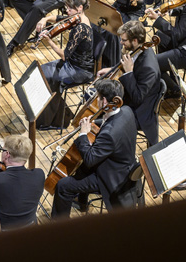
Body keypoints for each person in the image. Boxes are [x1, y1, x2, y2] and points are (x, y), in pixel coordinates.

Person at [51, 79, 137, 218]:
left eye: (98, 97)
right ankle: (81, 201)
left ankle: (59, 226)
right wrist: (93, 122)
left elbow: (90, 159)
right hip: (123, 165)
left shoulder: (109, 134)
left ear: (104, 101)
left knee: (63, 186)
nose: (96, 100)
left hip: (110, 176)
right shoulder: (127, 111)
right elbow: (109, 122)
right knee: (80, 169)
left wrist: (83, 134)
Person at [97, 20, 163, 145]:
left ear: (135, 41)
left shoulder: (149, 67)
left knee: (101, 109)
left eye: (124, 40)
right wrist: (112, 70)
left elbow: (138, 97)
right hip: (129, 97)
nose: (121, 42)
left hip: (139, 111)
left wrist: (128, 73)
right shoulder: (140, 50)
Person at [36, 0, 94, 95]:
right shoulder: (78, 18)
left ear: (80, 8)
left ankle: (52, 106)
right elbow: (59, 19)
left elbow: (64, 56)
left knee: (47, 76)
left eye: (69, 8)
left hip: (80, 69)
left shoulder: (81, 29)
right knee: (41, 70)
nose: (67, 11)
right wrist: (45, 19)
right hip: (72, 62)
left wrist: (49, 41)